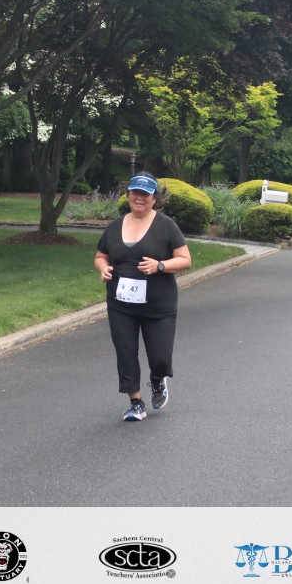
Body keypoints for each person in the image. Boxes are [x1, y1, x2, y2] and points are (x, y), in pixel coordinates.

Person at [94, 172, 192, 421]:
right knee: (125, 352)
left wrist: (160, 265)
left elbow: (185, 259)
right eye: (135, 193)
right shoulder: (114, 227)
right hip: (121, 304)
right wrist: (103, 268)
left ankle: (157, 379)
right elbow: (100, 256)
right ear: (128, 195)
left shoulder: (166, 226)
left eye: (145, 194)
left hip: (158, 305)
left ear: (154, 198)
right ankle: (135, 402)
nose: (139, 198)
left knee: (160, 358)